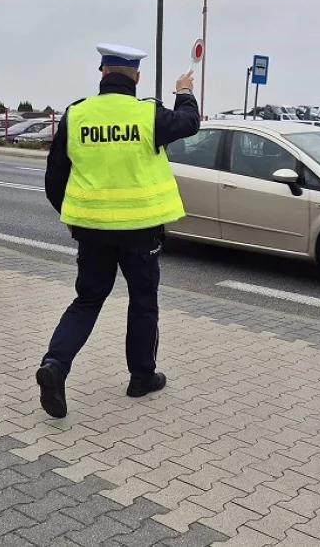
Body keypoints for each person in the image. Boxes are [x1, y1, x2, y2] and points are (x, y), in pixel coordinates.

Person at [36, 43, 200, 419]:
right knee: (143, 301)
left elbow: (54, 175)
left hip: (92, 231)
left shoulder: (77, 115)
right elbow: (189, 123)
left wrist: (75, 214)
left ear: (102, 73)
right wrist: (184, 91)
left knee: (88, 300)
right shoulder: (147, 115)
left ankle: (55, 365)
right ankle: (141, 376)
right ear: (136, 77)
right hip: (141, 231)